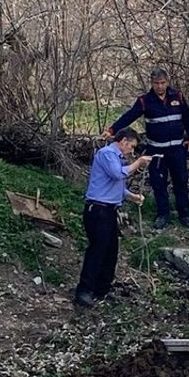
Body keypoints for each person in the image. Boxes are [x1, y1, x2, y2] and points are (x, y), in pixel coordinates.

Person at [106, 68, 189, 229]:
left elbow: (188, 119)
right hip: (156, 151)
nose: (160, 87)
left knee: (181, 182)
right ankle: (163, 215)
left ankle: (184, 215)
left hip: (177, 149)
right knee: (159, 184)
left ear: (167, 82)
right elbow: (129, 116)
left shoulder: (178, 97)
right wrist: (112, 130)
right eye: (156, 83)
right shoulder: (145, 101)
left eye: (163, 83)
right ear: (152, 83)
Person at [75, 129, 151, 308]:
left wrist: (133, 197)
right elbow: (118, 174)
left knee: (111, 252)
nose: (131, 151)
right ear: (123, 141)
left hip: (109, 210)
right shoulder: (107, 154)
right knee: (97, 250)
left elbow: (117, 186)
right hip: (98, 210)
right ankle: (84, 290)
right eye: (131, 147)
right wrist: (138, 163)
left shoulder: (118, 159)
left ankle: (102, 289)